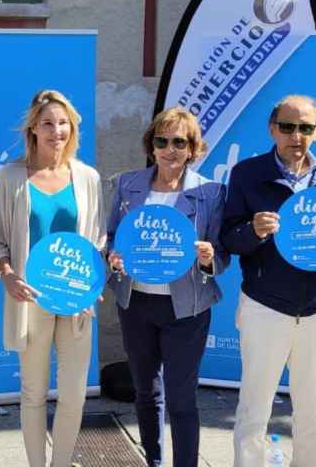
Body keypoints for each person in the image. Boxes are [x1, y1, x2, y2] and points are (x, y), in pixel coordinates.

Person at [221, 95, 316, 467]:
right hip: (265, 307)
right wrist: (252, 231)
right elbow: (228, 238)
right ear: (272, 129)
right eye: (287, 127)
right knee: (254, 409)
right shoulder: (248, 174)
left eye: (305, 128)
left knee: (311, 412)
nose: (296, 136)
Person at [106, 107, 228, 467]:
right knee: (146, 392)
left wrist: (208, 256)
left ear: (193, 148)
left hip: (186, 308)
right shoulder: (128, 184)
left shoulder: (210, 192)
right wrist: (112, 254)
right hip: (137, 304)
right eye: (162, 141)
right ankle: (154, 461)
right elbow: (112, 236)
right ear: (152, 145)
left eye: (179, 142)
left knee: (181, 398)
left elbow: (222, 255)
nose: (170, 149)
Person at [0, 89, 105, 467]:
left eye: (63, 123)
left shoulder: (87, 177)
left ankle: (63, 462)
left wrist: (93, 284)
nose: (56, 130)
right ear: (33, 129)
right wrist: (6, 274)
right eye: (48, 123)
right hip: (30, 300)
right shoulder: (11, 177)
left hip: (75, 302)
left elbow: (98, 240)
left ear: (72, 128)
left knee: (74, 395)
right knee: (33, 393)